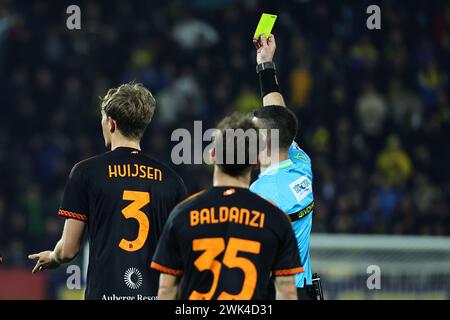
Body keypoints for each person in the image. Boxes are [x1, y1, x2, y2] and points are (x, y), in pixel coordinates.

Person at [29, 83, 187, 300]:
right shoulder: (172, 181)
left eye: (102, 119)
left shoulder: (86, 172)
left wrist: (53, 257)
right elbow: (179, 255)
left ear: (111, 122)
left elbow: (68, 250)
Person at [151, 113, 302, 300]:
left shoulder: (182, 214)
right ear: (255, 161)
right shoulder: (276, 219)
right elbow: (287, 291)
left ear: (212, 155)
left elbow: (166, 290)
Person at [250, 34, 317, 300]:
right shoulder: (302, 164)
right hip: (304, 290)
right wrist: (266, 65)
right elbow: (279, 118)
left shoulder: (261, 193)